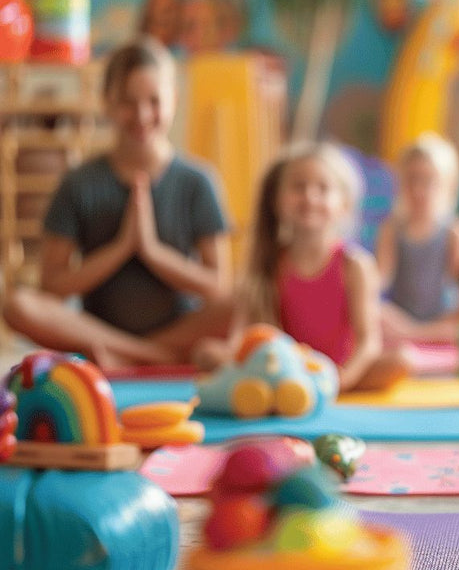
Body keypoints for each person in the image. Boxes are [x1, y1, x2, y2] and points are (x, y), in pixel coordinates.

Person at [2, 37, 232, 366]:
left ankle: (130, 356)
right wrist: (122, 247)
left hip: (177, 328)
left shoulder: (198, 181)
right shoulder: (78, 183)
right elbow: (51, 286)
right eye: (127, 101)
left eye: (154, 101)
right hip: (97, 329)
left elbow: (218, 287)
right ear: (107, 102)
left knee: (246, 300)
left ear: (174, 100)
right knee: (18, 305)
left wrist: (151, 251)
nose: (141, 115)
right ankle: (158, 358)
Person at [202, 141, 410, 392]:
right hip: (283, 372)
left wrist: (340, 381)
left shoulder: (355, 265)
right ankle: (284, 389)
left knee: (402, 361)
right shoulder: (269, 263)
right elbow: (242, 337)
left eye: (323, 188)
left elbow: (368, 343)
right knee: (206, 353)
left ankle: (294, 391)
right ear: (276, 200)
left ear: (343, 204)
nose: (310, 197)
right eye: (298, 187)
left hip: (340, 372)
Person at [375, 133, 459, 342]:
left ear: (447, 182)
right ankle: (414, 337)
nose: (419, 190)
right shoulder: (392, 229)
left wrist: (417, 330)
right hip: (399, 318)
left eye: (428, 180)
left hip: (442, 320)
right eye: (412, 179)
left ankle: (415, 337)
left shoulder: (456, 230)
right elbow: (380, 280)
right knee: (371, 314)